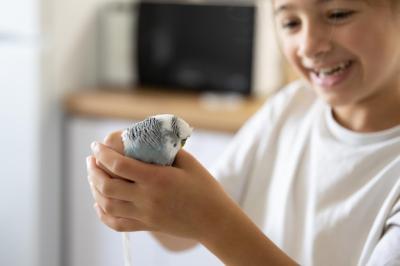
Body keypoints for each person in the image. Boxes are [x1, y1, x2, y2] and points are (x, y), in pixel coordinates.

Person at [86, 0, 400, 265]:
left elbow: (205, 218)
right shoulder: (288, 109)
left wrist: (212, 222)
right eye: (291, 23)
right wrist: (143, 188)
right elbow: (178, 236)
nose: (309, 45)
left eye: (337, 14)